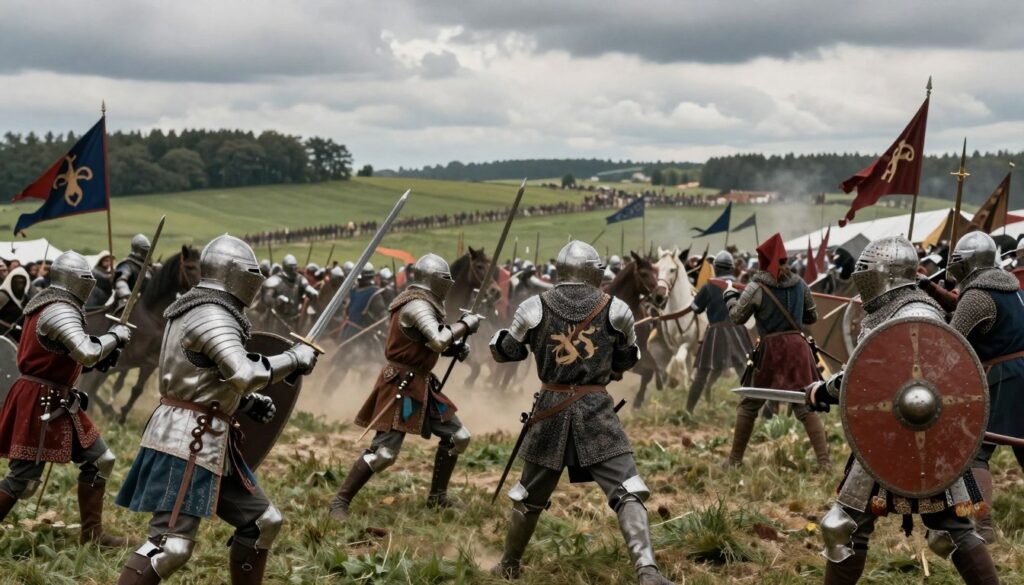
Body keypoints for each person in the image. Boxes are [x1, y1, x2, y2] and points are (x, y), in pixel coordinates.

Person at [115, 235, 318, 585]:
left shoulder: (201, 307)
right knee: (170, 547)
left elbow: (204, 375)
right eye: (251, 273)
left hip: (212, 440)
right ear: (234, 274)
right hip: (186, 440)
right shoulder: (210, 312)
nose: (256, 280)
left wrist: (246, 402)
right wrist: (294, 359)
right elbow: (243, 372)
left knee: (263, 522)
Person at [806, 236, 997, 585]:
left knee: (845, 527)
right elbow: (868, 369)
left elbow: (872, 376)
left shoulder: (915, 314)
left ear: (884, 275)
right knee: (951, 526)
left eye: (866, 274)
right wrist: (831, 388)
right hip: (900, 430)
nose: (860, 281)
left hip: (907, 433)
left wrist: (825, 389)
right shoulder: (897, 311)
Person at [488, 241, 674, 585]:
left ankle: (509, 565)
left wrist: (498, 338)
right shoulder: (616, 309)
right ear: (595, 272)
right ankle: (648, 571)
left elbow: (506, 353)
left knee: (528, 497)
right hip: (595, 410)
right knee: (628, 489)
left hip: (549, 412)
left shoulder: (533, 306)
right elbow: (627, 360)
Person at [327, 253, 481, 521]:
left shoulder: (424, 304)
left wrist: (455, 348)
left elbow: (426, 344)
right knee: (384, 454)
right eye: (444, 279)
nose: (448, 284)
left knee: (459, 437)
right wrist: (464, 325)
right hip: (400, 384)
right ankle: (339, 502)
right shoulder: (415, 305)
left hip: (422, 384)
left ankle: (437, 497)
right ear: (433, 280)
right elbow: (435, 340)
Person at [0, 251, 132, 545]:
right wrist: (116, 337)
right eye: (86, 277)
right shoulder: (58, 308)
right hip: (39, 400)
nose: (89, 282)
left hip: (59, 399)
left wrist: (102, 358)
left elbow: (71, 357)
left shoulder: (57, 305)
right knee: (22, 479)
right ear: (74, 279)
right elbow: (86, 350)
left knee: (101, 460)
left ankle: (93, 535)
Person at [722, 233, 830, 471]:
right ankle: (825, 463)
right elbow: (811, 316)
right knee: (804, 404)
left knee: (749, 404)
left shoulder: (756, 286)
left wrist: (730, 296)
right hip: (798, 348)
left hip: (772, 349)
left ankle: (734, 461)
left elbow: (737, 317)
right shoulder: (801, 284)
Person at [946, 232, 1024, 543]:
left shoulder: (977, 294)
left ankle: (984, 529)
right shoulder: (1012, 287)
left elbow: (952, 339)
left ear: (967, 263)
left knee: (976, 451)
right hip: (1021, 370)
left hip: (1002, 376)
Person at [686, 251, 752, 413]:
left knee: (702, 373)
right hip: (737, 331)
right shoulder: (739, 286)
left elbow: (695, 308)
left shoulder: (709, 286)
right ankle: (752, 408)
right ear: (731, 268)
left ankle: (688, 410)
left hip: (716, 332)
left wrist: (699, 297)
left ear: (715, 268)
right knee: (742, 370)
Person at [114, 234, 152, 302]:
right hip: (128, 302)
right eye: (145, 251)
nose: (146, 253)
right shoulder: (127, 264)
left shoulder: (148, 267)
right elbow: (121, 281)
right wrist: (128, 296)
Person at [0, 267, 30, 341]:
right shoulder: (2, 295)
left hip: (19, 337)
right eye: (17, 279)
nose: (20, 281)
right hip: (3, 337)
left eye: (22, 279)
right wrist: (7, 325)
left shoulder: (26, 298)